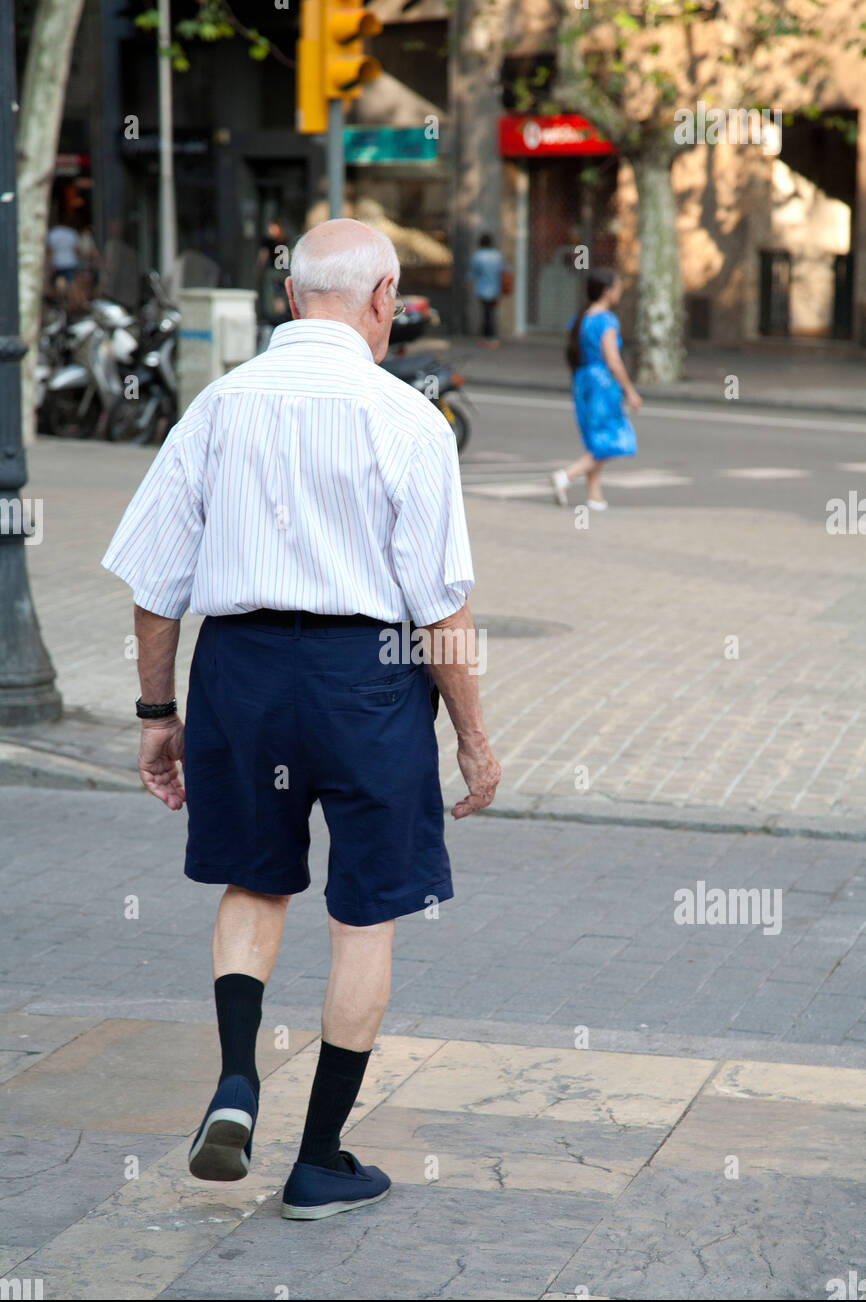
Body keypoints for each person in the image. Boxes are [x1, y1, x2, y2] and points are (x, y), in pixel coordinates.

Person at [101, 218, 501, 1221]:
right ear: (381, 301)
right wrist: (474, 738)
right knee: (363, 911)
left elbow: (155, 583)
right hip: (365, 679)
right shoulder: (407, 418)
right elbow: (440, 604)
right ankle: (319, 1157)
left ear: (288, 298)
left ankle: (237, 1078)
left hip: (240, 672)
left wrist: (159, 712)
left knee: (253, 882)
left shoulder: (219, 405)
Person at [551, 268, 642, 510]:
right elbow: (613, 360)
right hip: (602, 383)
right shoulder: (606, 320)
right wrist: (630, 390)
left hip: (582, 381)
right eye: (618, 286)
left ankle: (594, 495)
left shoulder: (580, 319)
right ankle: (566, 475)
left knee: (596, 438)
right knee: (614, 440)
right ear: (606, 291)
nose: (620, 291)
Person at [468, 232, 507, 347]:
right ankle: (490, 337)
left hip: (482, 289)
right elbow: (503, 271)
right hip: (495, 289)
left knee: (486, 314)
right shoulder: (497, 255)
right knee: (490, 313)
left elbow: (472, 273)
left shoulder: (478, 255)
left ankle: (487, 338)